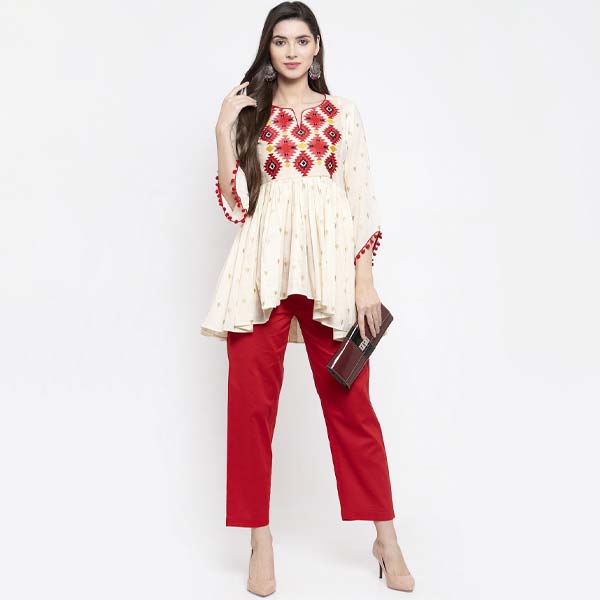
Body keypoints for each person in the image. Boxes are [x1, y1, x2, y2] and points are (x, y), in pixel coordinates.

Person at [201, 2, 414, 595]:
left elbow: (361, 198)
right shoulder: (252, 114)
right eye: (280, 41)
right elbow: (236, 205)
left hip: (329, 278)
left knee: (352, 408)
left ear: (317, 46)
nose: (291, 51)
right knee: (249, 411)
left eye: (301, 40)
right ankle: (259, 541)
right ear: (267, 49)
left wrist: (364, 280)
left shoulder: (343, 113)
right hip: (259, 277)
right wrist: (222, 131)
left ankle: (386, 538)